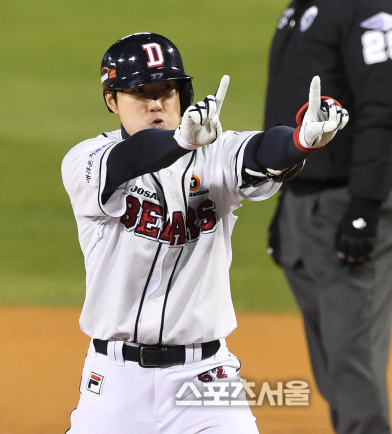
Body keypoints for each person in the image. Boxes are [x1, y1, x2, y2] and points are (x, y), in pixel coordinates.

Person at [61, 32, 348, 434]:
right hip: (114, 384)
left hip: (206, 379)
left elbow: (262, 150)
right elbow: (130, 158)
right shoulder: (86, 160)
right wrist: (178, 142)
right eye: (141, 92)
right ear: (112, 100)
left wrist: (300, 141)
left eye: (167, 89)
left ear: (184, 92)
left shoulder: (216, 153)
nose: (157, 102)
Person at [264, 1, 392, 433]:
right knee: (332, 366)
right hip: (304, 203)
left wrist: (364, 209)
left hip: (349, 204)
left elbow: (385, 109)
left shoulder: (380, 12)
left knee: (352, 367)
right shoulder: (306, 6)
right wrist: (285, 198)